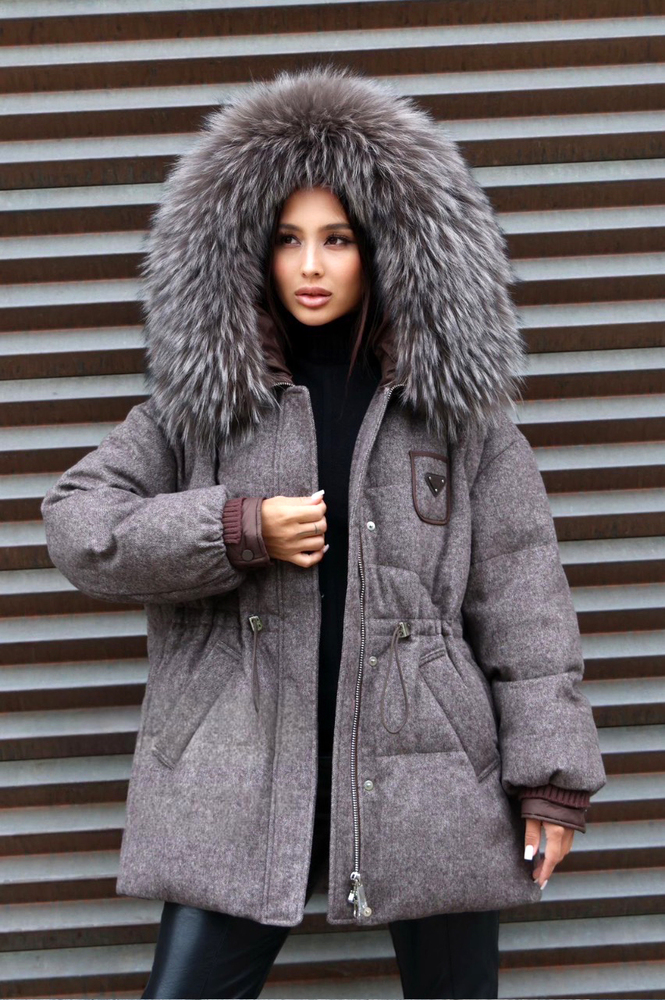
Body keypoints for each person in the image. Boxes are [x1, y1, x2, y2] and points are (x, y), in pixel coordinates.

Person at [40, 65, 606, 999]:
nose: (310, 265)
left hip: (433, 777)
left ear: (385, 249)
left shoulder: (458, 419)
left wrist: (552, 780)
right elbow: (78, 525)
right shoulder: (199, 410)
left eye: (336, 239)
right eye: (287, 239)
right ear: (246, 251)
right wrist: (236, 529)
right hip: (237, 769)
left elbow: (524, 596)